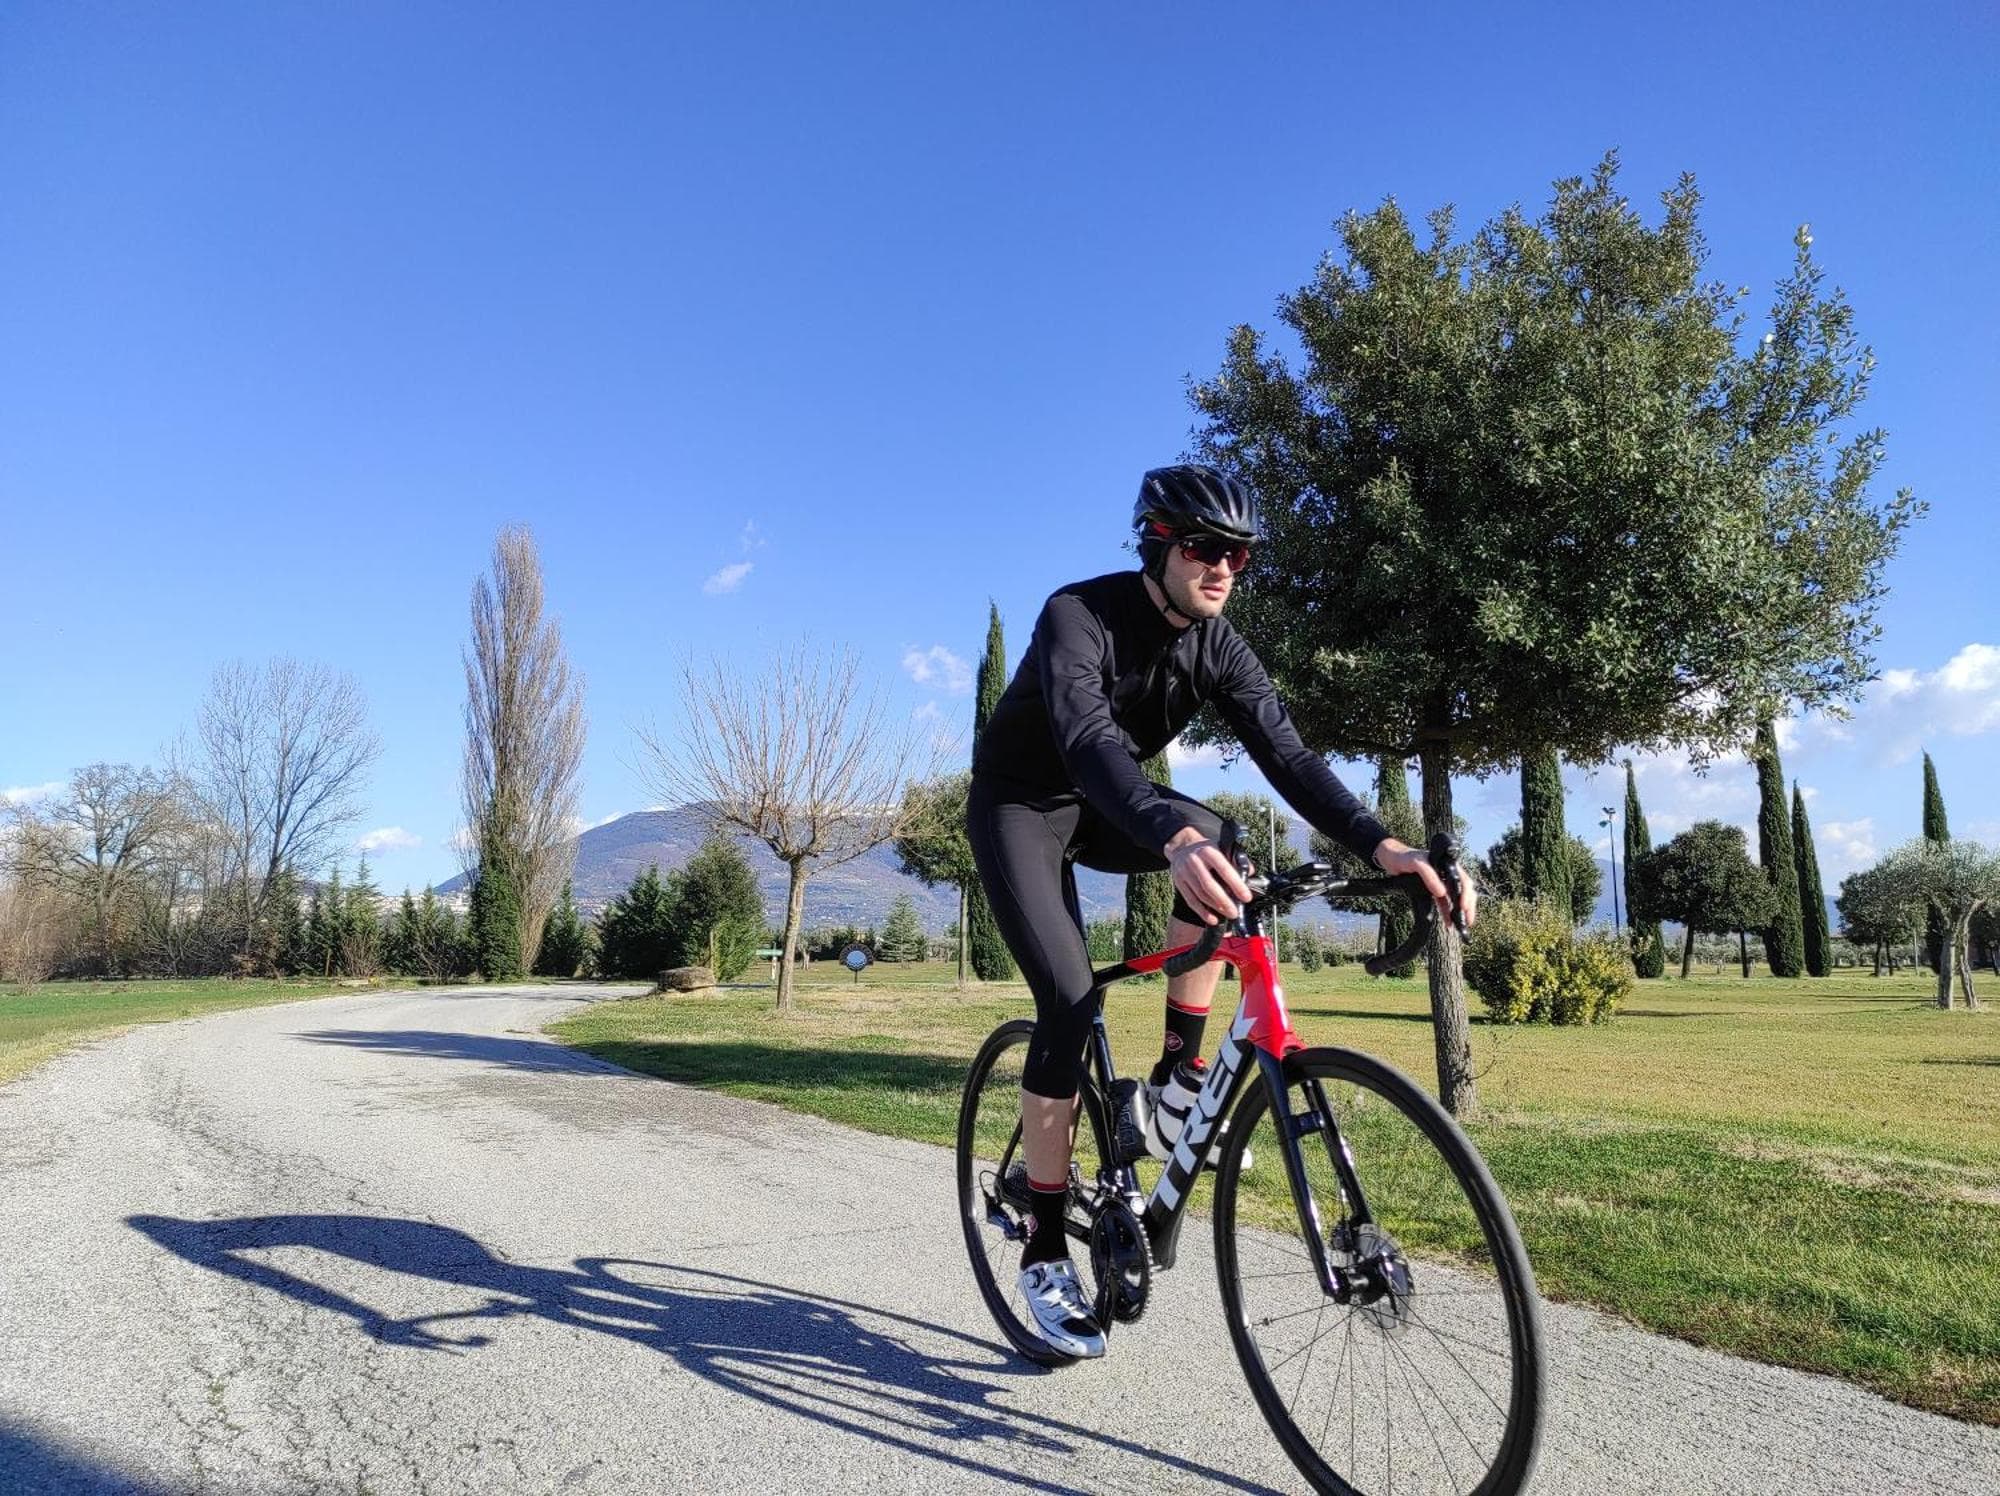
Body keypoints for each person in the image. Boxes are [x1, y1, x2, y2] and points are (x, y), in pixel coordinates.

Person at [967, 464, 1471, 1359]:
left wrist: (1384, 846)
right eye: (1206, 549)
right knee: (1070, 1002)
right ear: (1158, 545)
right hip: (1021, 806)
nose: (1225, 569)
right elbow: (1087, 742)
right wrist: (1169, 835)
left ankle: (1176, 1074)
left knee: (1226, 842)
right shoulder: (1077, 615)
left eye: (1241, 555)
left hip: (1110, 807)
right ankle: (1044, 1246)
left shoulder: (1219, 646)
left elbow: (1291, 757)